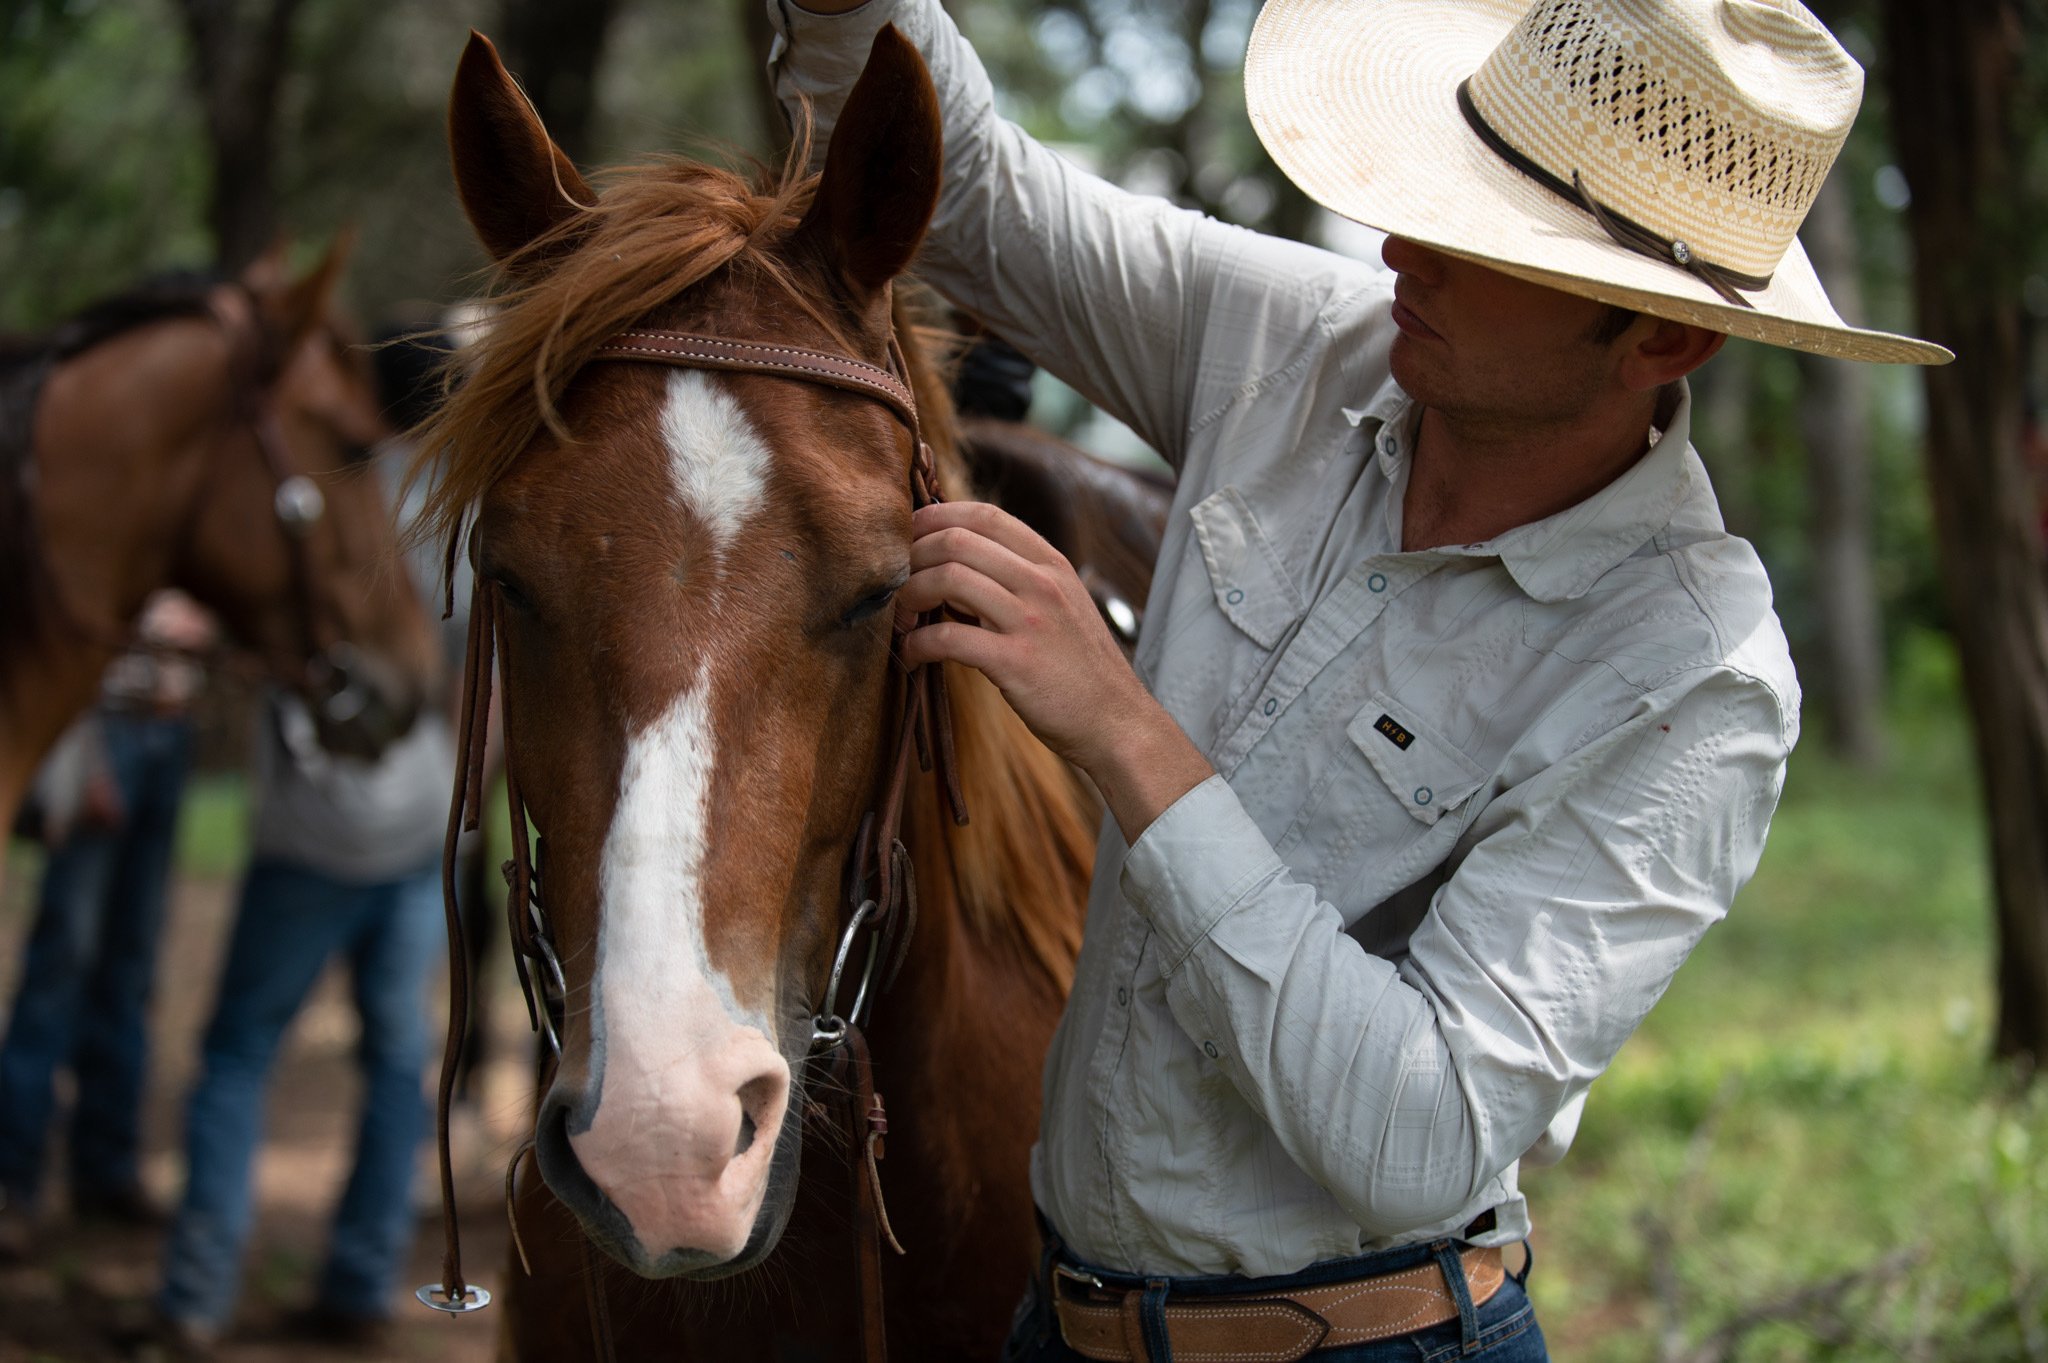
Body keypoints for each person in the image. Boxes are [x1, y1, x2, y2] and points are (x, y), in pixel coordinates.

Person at [766, 0, 1949, 1358]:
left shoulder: (1693, 674)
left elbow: (1418, 1129)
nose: (1397, 244)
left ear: (1664, 341)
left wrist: (1122, 729)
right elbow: (976, 196)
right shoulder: (1303, 341)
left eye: (1484, 236)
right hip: (1066, 1323)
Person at [148, 364, 455, 1354]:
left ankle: (195, 1297)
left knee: (238, 1056)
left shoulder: (328, 501)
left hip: (313, 838)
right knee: (398, 1058)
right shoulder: (454, 506)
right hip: (415, 827)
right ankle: (361, 1282)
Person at [0, 591, 213, 1258]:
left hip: (169, 730)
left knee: (133, 962)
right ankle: (14, 1179)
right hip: (101, 725)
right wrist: (81, 758)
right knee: (63, 960)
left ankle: (106, 1166)